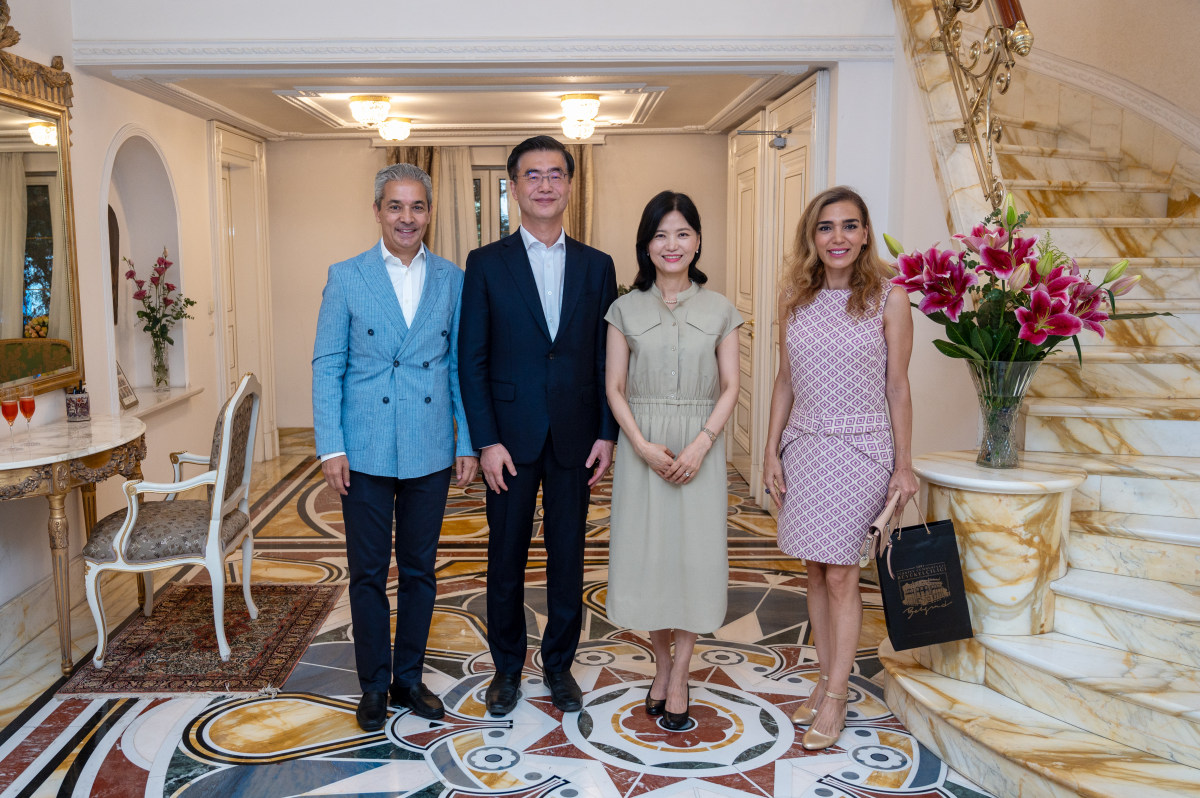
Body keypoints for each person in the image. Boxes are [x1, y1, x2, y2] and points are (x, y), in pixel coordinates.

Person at [312, 162, 478, 732]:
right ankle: (373, 684)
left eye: (417, 206)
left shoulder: (452, 278)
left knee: (419, 571)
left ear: (429, 212)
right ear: (378, 211)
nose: (407, 217)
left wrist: (467, 440)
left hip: (430, 446)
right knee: (366, 572)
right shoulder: (346, 276)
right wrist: (331, 447)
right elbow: (328, 364)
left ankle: (408, 678)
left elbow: (458, 366)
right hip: (364, 447)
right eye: (395, 206)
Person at [458, 135, 618, 716]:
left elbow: (607, 356)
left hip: (577, 436)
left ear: (570, 185)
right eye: (533, 175)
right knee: (505, 558)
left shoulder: (598, 265)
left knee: (567, 557)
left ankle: (558, 666)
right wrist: (486, 440)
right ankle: (506, 669)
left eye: (555, 174)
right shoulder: (485, 263)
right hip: (509, 440)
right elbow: (471, 359)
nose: (545, 184)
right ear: (513, 187)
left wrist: (607, 432)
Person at [762, 185, 919, 750]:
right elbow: (785, 381)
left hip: (862, 448)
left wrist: (904, 465)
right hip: (805, 446)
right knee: (813, 569)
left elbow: (897, 387)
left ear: (865, 233)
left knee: (841, 574)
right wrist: (770, 449)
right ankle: (825, 676)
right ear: (812, 236)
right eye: (826, 227)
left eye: (850, 226)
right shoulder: (794, 298)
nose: (838, 237)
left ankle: (836, 695)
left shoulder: (890, 298)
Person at [604, 191, 741, 731]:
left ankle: (681, 673)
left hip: (700, 447)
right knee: (650, 560)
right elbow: (614, 387)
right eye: (661, 235)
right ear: (646, 244)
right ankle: (661, 665)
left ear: (698, 241)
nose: (672, 244)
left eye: (682, 233)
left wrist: (703, 443)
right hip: (644, 449)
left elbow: (730, 387)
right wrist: (640, 445)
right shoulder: (623, 309)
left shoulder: (721, 309)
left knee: (694, 560)